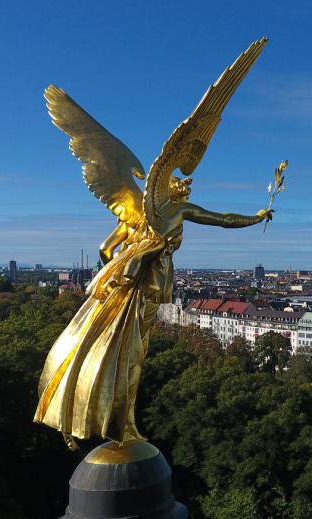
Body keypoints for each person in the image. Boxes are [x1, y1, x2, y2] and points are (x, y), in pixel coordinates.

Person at [35, 176, 271, 447]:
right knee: (131, 354)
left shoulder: (133, 214)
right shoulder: (178, 210)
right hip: (150, 288)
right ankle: (121, 425)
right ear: (171, 191)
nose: (186, 190)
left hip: (126, 289)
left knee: (105, 346)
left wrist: (120, 274)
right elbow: (224, 219)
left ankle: (93, 418)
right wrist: (256, 217)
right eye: (182, 187)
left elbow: (105, 249)